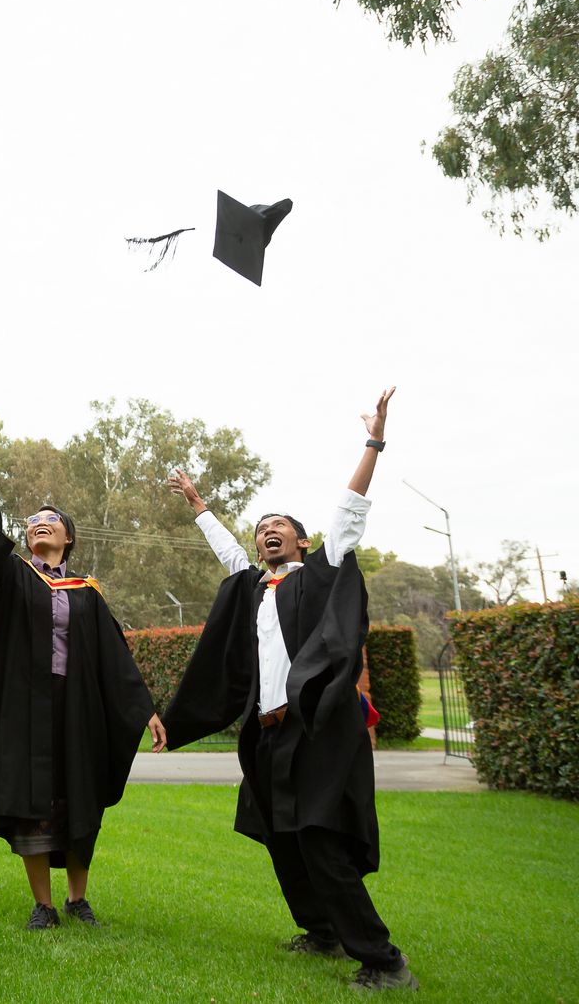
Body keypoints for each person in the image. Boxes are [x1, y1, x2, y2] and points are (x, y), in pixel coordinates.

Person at [162, 388, 418, 992]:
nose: (267, 533)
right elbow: (227, 551)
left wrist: (373, 441)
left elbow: (350, 509)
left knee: (320, 838)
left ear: (301, 541)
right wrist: (200, 504)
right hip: (270, 733)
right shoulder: (253, 588)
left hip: (319, 730)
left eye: (278, 526)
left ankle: (383, 961)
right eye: (261, 529)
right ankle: (320, 930)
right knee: (280, 838)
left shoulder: (321, 576)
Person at [0, 433, 165, 930]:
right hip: (23, 706)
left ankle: (77, 899)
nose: (40, 525)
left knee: (78, 794)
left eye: (51, 522)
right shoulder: (13, 575)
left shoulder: (87, 592)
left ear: (69, 538)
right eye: (33, 522)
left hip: (78, 707)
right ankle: (43, 905)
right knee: (29, 799)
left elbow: (114, 656)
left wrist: (143, 707)